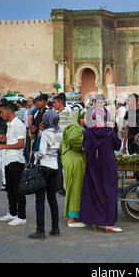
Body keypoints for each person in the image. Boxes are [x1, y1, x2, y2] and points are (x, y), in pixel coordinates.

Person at [80, 107, 123, 233]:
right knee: (109, 193)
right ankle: (109, 223)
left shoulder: (88, 131)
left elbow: (85, 146)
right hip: (108, 166)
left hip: (92, 165)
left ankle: (95, 222)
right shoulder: (109, 131)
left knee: (94, 192)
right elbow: (118, 145)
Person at [29, 111, 62, 239]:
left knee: (40, 200)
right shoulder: (59, 132)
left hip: (43, 167)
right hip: (54, 166)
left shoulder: (46, 133)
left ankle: (40, 230)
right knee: (52, 199)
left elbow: (41, 152)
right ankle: (55, 228)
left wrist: (35, 156)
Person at [0, 102, 27, 226]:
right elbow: (14, 140)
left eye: (2, 112)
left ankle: (21, 216)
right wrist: (5, 140)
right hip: (9, 160)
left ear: (9, 112)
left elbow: (21, 144)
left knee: (18, 190)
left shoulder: (17, 125)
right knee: (10, 189)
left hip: (16, 161)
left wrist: (4, 145)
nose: (1, 114)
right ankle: (12, 212)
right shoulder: (9, 124)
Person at [61, 108, 86, 227]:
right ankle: (73, 218)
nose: (84, 121)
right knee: (75, 188)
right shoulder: (76, 128)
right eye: (82, 118)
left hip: (69, 158)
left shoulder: (69, 127)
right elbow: (73, 139)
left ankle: (73, 215)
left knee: (72, 187)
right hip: (74, 159)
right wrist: (80, 148)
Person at [122, 94, 139, 180]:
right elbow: (127, 128)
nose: (128, 102)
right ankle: (135, 183)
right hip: (130, 140)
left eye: (129, 100)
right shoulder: (128, 112)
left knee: (137, 162)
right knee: (132, 163)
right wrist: (124, 145)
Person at [53, 93, 73, 197]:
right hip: (57, 143)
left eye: (55, 102)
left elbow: (72, 127)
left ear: (60, 103)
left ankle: (66, 188)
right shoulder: (55, 113)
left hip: (66, 143)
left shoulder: (69, 112)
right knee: (58, 166)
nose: (53, 104)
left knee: (65, 166)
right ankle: (59, 186)